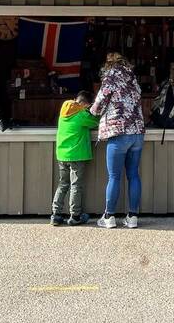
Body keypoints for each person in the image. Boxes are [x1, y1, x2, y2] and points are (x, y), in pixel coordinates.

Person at [90, 52, 145, 229]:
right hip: (137, 132)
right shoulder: (133, 80)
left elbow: (97, 107)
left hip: (118, 132)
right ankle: (133, 217)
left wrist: (90, 111)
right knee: (134, 175)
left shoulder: (110, 79)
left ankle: (109, 216)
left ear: (108, 65)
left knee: (114, 176)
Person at [51, 90, 99, 225]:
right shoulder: (81, 115)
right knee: (75, 185)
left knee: (62, 184)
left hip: (62, 154)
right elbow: (96, 122)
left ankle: (56, 214)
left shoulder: (63, 113)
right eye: (88, 106)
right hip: (76, 155)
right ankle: (75, 216)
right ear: (84, 104)